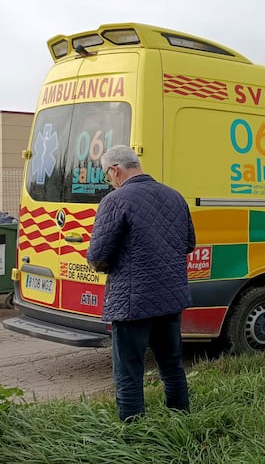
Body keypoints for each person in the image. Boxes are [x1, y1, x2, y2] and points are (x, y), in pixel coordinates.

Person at [87, 145, 195, 422]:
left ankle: (134, 430)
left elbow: (98, 256)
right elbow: (189, 244)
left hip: (131, 301)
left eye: (107, 176)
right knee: (171, 364)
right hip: (170, 297)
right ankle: (181, 418)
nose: (109, 181)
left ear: (115, 170)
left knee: (128, 369)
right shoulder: (175, 196)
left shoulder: (115, 201)